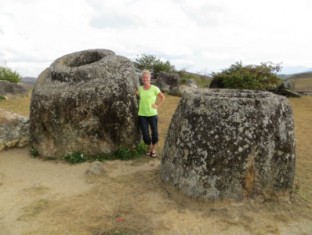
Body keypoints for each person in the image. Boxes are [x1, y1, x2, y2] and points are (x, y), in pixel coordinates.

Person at [136, 70, 165, 158]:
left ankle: (153, 149)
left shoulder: (154, 88)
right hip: (142, 114)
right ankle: (149, 148)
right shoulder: (140, 88)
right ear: (142, 79)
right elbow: (136, 95)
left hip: (152, 114)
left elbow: (162, 97)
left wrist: (157, 105)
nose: (145, 79)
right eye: (143, 77)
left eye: (146, 77)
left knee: (155, 133)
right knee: (145, 134)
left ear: (150, 78)